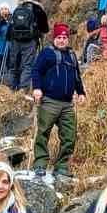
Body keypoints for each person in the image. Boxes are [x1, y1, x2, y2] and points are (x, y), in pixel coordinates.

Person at [30, 24, 84, 181]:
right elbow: (36, 70)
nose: (61, 40)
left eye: (64, 37)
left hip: (67, 104)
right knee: (43, 133)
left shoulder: (72, 55)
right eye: (59, 37)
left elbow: (76, 76)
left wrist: (81, 92)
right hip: (49, 101)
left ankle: (61, 167)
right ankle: (40, 164)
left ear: (68, 39)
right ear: (54, 38)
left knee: (69, 136)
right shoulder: (47, 53)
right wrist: (37, 88)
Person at [3, 0, 49, 91]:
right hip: (30, 42)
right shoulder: (38, 9)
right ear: (38, 1)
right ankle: (23, 89)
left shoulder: (19, 7)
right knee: (27, 66)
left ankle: (9, 89)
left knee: (13, 65)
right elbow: (45, 29)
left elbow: (11, 25)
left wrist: (8, 38)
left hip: (15, 41)